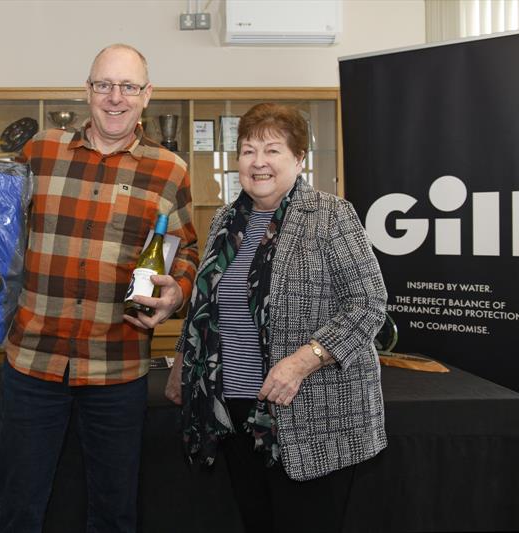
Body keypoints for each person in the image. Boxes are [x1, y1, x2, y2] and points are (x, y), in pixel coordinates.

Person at [0, 44, 198, 533]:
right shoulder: (40, 150)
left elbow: (186, 250)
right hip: (32, 363)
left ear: (146, 95)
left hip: (117, 365)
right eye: (104, 84)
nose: (115, 97)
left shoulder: (170, 170)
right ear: (87, 91)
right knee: (18, 508)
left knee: (114, 512)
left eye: (128, 86)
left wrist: (176, 293)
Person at [165, 103, 387, 532]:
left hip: (313, 414)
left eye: (272, 150)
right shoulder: (228, 220)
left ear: (299, 159)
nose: (258, 162)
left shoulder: (330, 214)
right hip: (237, 411)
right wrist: (182, 363)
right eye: (248, 151)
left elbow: (369, 303)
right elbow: (207, 305)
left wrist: (305, 360)